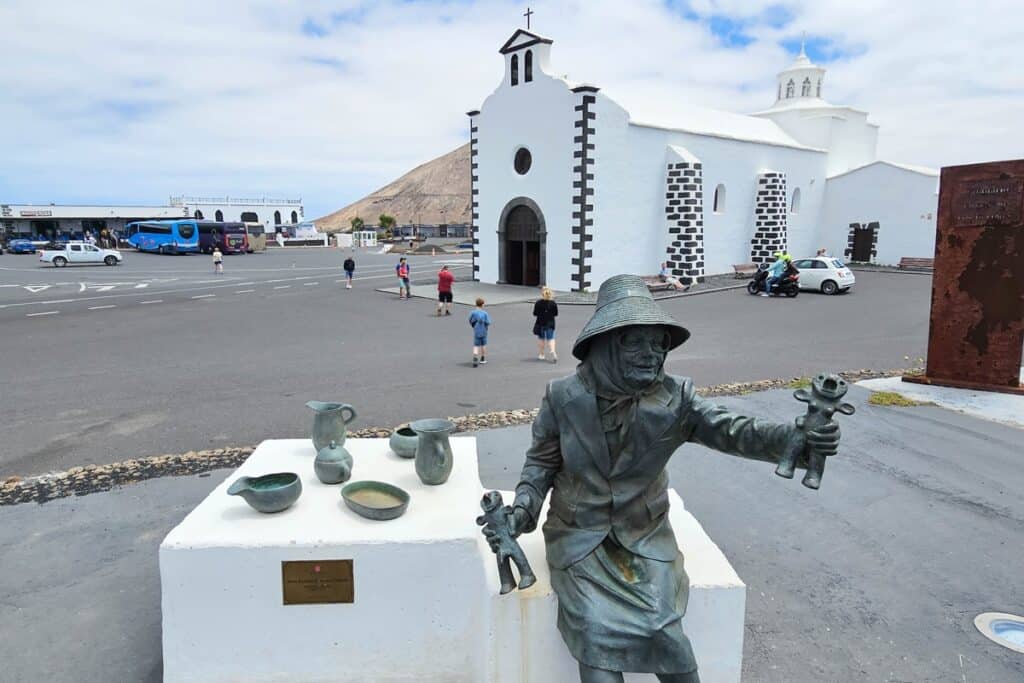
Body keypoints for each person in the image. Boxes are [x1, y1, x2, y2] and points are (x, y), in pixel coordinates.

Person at [481, 274, 842, 683]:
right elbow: (540, 466)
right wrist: (520, 513)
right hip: (579, 538)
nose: (650, 354)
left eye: (658, 343)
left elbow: (734, 431)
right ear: (604, 345)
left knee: (667, 638)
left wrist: (796, 439)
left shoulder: (677, 397)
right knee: (596, 648)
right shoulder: (562, 397)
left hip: (645, 538)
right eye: (635, 342)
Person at [532, 286, 559, 362]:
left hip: (540, 323)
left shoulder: (538, 303)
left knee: (541, 339)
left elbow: (535, 313)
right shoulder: (553, 303)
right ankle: (553, 352)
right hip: (550, 323)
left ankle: (541, 354)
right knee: (551, 339)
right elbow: (556, 314)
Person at [469, 297, 491, 368]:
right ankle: (483, 358)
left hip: (476, 330)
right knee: (483, 344)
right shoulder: (485, 313)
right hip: (484, 330)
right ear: (482, 305)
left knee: (476, 345)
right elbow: (488, 322)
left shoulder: (473, 312)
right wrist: (486, 325)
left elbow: (470, 320)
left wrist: (473, 325)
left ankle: (475, 357)